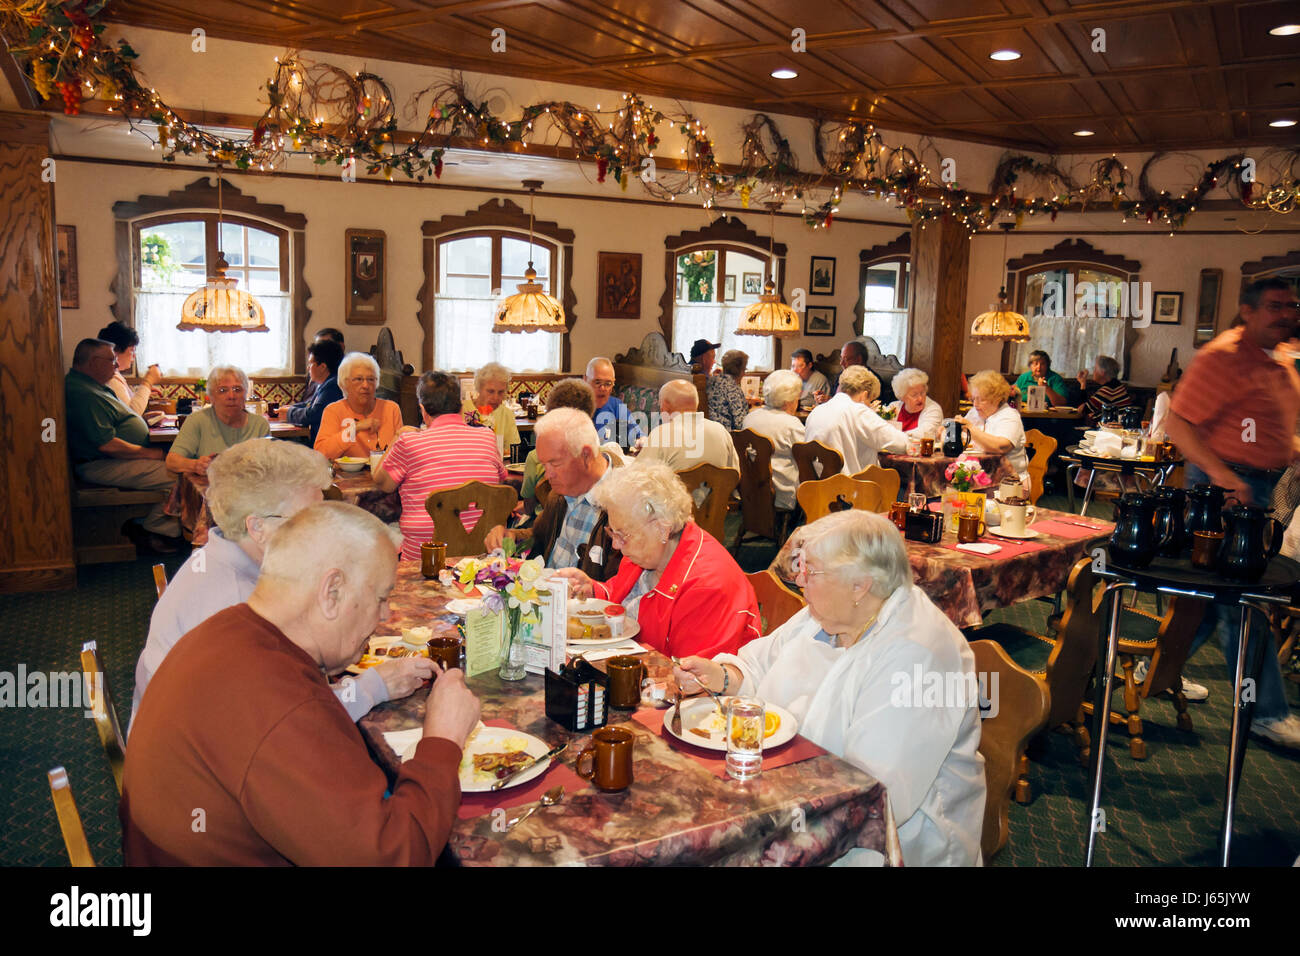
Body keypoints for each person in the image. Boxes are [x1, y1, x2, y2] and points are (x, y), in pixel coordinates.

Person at [121, 502, 482, 865]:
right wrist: (443, 740)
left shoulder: (224, 628)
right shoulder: (281, 704)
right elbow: (394, 856)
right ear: (332, 592)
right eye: (381, 597)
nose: (385, 614)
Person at [675, 510, 985, 866]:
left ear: (860, 584)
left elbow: (874, 795)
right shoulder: (830, 612)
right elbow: (762, 661)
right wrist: (722, 675)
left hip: (882, 840)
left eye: (812, 571)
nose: (799, 580)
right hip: (791, 792)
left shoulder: (919, 655)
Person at [131, 439, 429, 729]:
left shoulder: (223, 561)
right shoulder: (240, 606)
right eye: (307, 519)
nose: (322, 529)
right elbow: (296, 718)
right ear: (257, 527)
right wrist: (374, 686)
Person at [1164, 277, 1300, 749]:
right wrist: (1224, 478)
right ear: (1248, 309)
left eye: (1292, 305)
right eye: (1276, 306)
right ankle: (1268, 712)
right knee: (1242, 601)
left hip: (1257, 484)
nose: (1287, 314)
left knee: (1209, 599)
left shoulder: (1277, 359)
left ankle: (1153, 669)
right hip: (1226, 489)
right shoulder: (1221, 359)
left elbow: (1268, 426)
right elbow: (1176, 425)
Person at [552, 462, 760, 658]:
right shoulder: (649, 553)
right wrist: (592, 590)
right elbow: (623, 594)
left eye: (622, 534)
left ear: (662, 528)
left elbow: (692, 679)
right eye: (612, 532)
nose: (615, 545)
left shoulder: (707, 587)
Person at [372, 371, 508, 561]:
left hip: (424, 559)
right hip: (480, 557)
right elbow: (500, 482)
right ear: (460, 408)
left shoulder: (409, 442)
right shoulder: (487, 437)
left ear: (423, 410)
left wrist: (397, 436)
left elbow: (382, 483)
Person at [64, 339, 181, 551]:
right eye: (112, 361)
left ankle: (151, 525)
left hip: (113, 460)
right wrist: (152, 454)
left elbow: (112, 424)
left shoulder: (93, 387)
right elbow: (107, 445)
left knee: (181, 468)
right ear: (93, 362)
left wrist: (140, 422)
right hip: (100, 464)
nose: (117, 366)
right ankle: (154, 530)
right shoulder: (82, 393)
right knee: (180, 474)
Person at [486, 408, 625, 581]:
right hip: (546, 596)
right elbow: (540, 536)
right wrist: (511, 537)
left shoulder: (626, 505)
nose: (547, 474)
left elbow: (619, 588)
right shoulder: (560, 493)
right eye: (544, 464)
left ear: (586, 455)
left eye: (555, 463)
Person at [165, 365, 270, 477]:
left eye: (237, 389)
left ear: (246, 395)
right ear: (211, 397)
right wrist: (195, 465)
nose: (231, 396)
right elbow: (172, 461)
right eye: (222, 390)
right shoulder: (197, 420)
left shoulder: (260, 425)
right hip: (209, 490)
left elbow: (268, 467)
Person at [804, 365, 907, 474]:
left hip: (814, 487)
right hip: (849, 487)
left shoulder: (816, 412)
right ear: (864, 395)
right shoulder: (858, 411)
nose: (869, 406)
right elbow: (900, 443)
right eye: (870, 401)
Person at [315, 352, 409, 459]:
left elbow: (402, 454)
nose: (365, 385)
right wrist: (355, 428)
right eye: (359, 379)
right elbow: (321, 454)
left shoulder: (391, 409)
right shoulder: (334, 411)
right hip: (347, 475)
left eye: (371, 379)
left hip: (385, 474)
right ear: (344, 383)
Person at [638, 379, 740, 473]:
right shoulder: (721, 431)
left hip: (675, 493)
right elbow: (735, 473)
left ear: (665, 405)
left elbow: (638, 479)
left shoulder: (661, 434)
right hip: (719, 492)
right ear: (697, 403)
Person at [955, 370, 1030, 492]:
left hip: (1010, 484)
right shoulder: (976, 412)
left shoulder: (1009, 416)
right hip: (979, 480)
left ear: (997, 399)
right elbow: (963, 437)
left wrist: (970, 429)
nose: (975, 404)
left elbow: (1001, 447)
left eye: (981, 400)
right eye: (973, 399)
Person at [741, 369, 805, 511]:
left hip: (752, 489)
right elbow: (806, 460)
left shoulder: (750, 418)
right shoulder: (791, 424)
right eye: (797, 397)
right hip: (782, 492)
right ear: (789, 400)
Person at [277, 339, 344, 443]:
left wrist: (289, 413)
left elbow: (314, 414)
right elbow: (311, 404)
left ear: (322, 367)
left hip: (323, 444)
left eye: (310, 363)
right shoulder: (326, 383)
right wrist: (292, 407)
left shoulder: (332, 386)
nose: (308, 368)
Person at [97, 321, 161, 416]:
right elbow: (132, 413)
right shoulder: (110, 379)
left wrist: (144, 419)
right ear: (115, 351)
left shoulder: (114, 374)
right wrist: (148, 381)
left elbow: (127, 412)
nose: (134, 356)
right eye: (132, 350)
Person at [461, 362, 520, 458]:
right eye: (490, 391)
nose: (495, 397)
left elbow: (512, 449)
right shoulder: (462, 410)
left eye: (501, 392)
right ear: (478, 388)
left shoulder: (506, 414)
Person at [586, 356, 644, 448]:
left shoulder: (616, 405)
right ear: (585, 380)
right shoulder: (574, 406)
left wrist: (641, 441)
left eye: (608, 384)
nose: (603, 388)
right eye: (597, 382)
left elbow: (638, 434)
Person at [884, 367, 944, 438]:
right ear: (902, 397)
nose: (920, 398)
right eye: (914, 395)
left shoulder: (933, 409)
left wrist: (894, 437)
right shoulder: (893, 407)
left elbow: (925, 433)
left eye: (922, 393)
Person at [1077, 355, 1132, 426]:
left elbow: (1082, 411)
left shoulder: (1109, 391)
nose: (1093, 372)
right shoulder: (1116, 386)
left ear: (1102, 372)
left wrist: (1083, 384)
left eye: (1095, 369)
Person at [707, 349, 750, 430]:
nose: (744, 373)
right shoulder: (733, 388)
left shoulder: (712, 380)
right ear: (740, 371)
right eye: (744, 369)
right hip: (727, 435)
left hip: (710, 430)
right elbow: (740, 423)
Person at [303, 327, 344, 404]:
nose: (320, 349)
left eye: (325, 344)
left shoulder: (337, 379)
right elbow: (308, 403)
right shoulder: (313, 370)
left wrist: (291, 411)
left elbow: (315, 412)